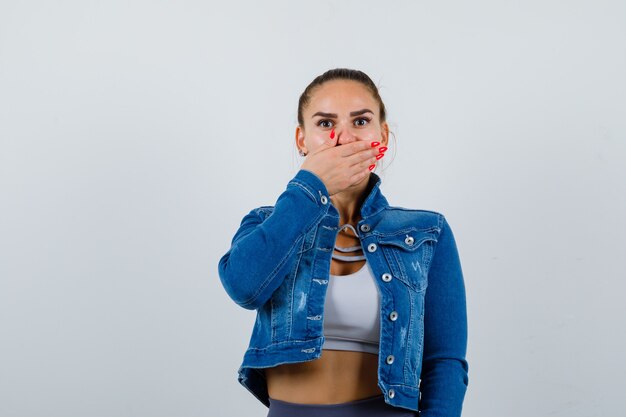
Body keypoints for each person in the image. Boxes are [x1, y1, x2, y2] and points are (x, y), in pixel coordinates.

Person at [217, 68, 469, 417]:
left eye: (361, 121)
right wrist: (309, 186)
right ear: (301, 139)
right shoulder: (267, 223)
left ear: (382, 133)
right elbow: (244, 288)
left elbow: (445, 362)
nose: (343, 138)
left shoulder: (427, 231)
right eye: (325, 124)